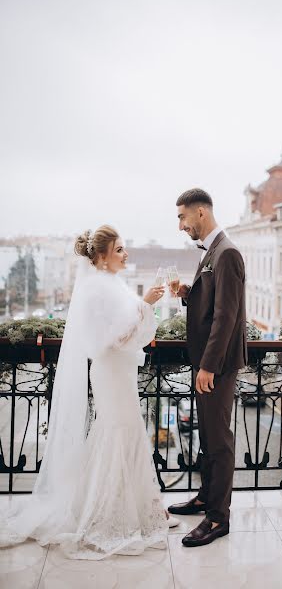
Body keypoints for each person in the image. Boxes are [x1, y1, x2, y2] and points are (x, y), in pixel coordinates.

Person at [0, 225, 178, 559]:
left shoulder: (111, 282)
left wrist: (142, 306)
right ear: (102, 256)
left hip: (119, 373)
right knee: (117, 433)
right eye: (121, 249)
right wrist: (146, 304)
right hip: (111, 372)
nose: (126, 254)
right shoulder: (97, 288)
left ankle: (142, 509)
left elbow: (126, 331)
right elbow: (110, 339)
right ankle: (109, 514)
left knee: (128, 435)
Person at [168, 189, 247, 547]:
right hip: (206, 363)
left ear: (201, 212)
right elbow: (211, 300)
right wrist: (188, 292)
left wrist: (209, 367)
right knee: (207, 439)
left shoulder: (227, 252)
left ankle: (218, 518)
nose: (182, 226)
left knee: (219, 441)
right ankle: (205, 498)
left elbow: (226, 316)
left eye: (183, 218)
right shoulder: (212, 251)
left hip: (217, 365)